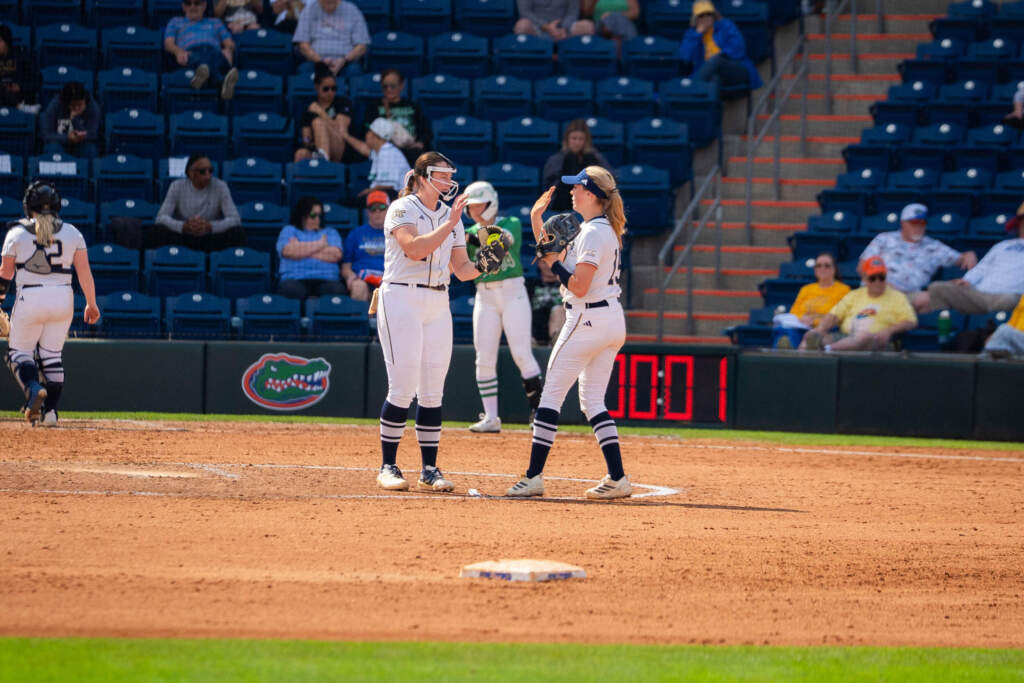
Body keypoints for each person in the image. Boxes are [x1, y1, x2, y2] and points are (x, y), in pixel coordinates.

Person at [506, 167, 630, 500]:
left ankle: (533, 476)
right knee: (593, 402)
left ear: (591, 194)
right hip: (609, 319)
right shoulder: (598, 229)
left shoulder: (593, 233)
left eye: (577, 188)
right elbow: (554, 252)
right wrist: (537, 219)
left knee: (550, 398)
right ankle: (618, 477)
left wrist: (554, 263)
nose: (572, 192)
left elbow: (578, 284)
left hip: (587, 318)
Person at [373, 152, 488, 493]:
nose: (448, 180)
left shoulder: (450, 217)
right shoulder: (402, 208)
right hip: (401, 297)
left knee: (433, 389)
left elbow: (462, 269)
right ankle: (388, 465)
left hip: (438, 299)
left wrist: (486, 264)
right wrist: (450, 224)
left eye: (449, 174)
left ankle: (429, 469)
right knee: (402, 386)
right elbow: (413, 248)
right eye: (441, 174)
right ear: (423, 177)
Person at [0, 181, 101, 426]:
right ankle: (50, 413)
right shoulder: (73, 233)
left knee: (18, 354)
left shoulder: (16, 233)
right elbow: (84, 272)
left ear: (28, 206)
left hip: (30, 297)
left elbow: (5, 273)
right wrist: (91, 303)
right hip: (63, 298)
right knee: (52, 356)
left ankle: (34, 389)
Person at [462, 180, 544, 433]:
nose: (474, 211)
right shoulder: (469, 231)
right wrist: (466, 237)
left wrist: (468, 238)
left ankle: (539, 414)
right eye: (471, 207)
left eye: (479, 205)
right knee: (484, 358)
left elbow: (500, 241)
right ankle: (491, 417)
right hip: (484, 295)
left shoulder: (511, 223)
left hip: (512, 293)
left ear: (491, 203)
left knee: (522, 353)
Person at [800, 256, 917, 352]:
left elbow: (910, 321)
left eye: (881, 277)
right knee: (812, 337)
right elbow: (834, 315)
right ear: (865, 279)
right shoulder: (854, 294)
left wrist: (889, 331)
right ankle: (804, 361)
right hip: (845, 336)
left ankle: (829, 349)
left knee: (863, 336)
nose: (877, 282)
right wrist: (820, 329)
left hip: (877, 340)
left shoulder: (897, 297)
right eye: (873, 278)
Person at [917, 212, 1024, 315]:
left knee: (1009, 300)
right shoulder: (1002, 246)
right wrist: (967, 280)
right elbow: (983, 267)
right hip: (979, 294)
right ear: (1018, 225)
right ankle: (946, 323)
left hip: (1010, 295)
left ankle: (989, 323)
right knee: (937, 288)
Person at [860, 203, 977, 296]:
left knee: (924, 299)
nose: (918, 227)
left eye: (922, 223)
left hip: (910, 297)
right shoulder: (884, 239)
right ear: (903, 223)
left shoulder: (934, 246)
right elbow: (862, 266)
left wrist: (968, 254)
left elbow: (961, 258)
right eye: (914, 222)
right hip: (878, 289)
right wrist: (881, 286)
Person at [154, 153, 246, 251]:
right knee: (157, 231)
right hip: (184, 235)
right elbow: (161, 217)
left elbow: (235, 219)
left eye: (210, 171)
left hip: (210, 237)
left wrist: (210, 226)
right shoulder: (176, 186)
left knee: (237, 232)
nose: (208, 176)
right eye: (203, 172)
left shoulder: (221, 186)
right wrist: (183, 226)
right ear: (190, 173)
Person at [678, 0, 763, 93]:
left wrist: (720, 55)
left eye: (708, 14)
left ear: (714, 15)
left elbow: (739, 49)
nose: (706, 18)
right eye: (701, 15)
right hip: (710, 72)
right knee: (714, 79)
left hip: (735, 67)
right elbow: (685, 57)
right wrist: (697, 34)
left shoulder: (726, 25)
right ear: (696, 19)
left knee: (716, 60)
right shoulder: (692, 34)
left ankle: (690, 89)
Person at [164, 0, 240, 100]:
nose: (192, 7)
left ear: (204, 5)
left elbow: (229, 43)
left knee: (214, 57)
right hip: (190, 52)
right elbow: (168, 44)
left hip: (214, 52)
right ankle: (221, 81)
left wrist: (229, 50)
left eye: (197, 3)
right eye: (188, 3)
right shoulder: (175, 22)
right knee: (202, 59)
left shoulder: (216, 22)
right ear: (183, 6)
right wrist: (178, 52)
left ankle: (202, 76)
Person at [773, 251, 851, 349]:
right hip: (802, 326)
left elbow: (839, 315)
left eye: (827, 266)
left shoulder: (843, 290)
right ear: (815, 269)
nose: (822, 269)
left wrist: (814, 321)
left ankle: (791, 352)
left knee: (804, 337)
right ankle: (785, 352)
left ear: (834, 269)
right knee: (783, 331)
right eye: (819, 266)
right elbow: (794, 312)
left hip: (826, 329)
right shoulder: (806, 289)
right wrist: (802, 319)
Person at [275, 196, 345, 299]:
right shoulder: (289, 230)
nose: (317, 219)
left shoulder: (330, 232)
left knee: (337, 290)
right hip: (295, 278)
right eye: (313, 215)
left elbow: (336, 255)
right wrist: (320, 244)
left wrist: (300, 249)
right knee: (290, 290)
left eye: (319, 215)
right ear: (302, 214)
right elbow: (288, 251)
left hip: (326, 279)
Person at [360, 69, 430, 165]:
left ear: (401, 85)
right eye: (385, 86)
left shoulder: (413, 106)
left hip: (411, 150)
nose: (389, 89)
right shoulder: (374, 108)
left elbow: (426, 132)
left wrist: (420, 143)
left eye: (393, 86)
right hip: (385, 152)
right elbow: (367, 132)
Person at [542, 119, 612, 212]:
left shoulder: (596, 159)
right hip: (561, 208)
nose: (577, 142)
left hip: (590, 208)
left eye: (580, 139)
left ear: (586, 140)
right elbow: (550, 189)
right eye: (574, 138)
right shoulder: (556, 160)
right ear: (567, 139)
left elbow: (607, 181)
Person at [294, 62, 354, 163]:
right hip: (317, 149)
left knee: (318, 123)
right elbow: (306, 139)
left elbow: (341, 131)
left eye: (334, 88)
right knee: (300, 154)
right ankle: (321, 158)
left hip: (340, 148)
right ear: (317, 87)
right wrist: (310, 142)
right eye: (326, 89)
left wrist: (320, 112)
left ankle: (323, 164)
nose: (330, 92)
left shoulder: (343, 103)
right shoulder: (310, 109)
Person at [293, 0, 370, 78]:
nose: (329, 2)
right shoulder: (308, 10)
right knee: (304, 70)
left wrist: (343, 60)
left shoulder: (352, 10)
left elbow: (362, 46)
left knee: (354, 70)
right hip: (315, 61)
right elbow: (303, 45)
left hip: (346, 62)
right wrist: (320, 61)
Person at [342, 118, 411, 198]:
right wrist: (346, 136)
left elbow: (387, 186)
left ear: (375, 136)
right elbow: (363, 149)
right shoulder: (381, 150)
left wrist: (365, 193)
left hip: (400, 198)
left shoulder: (388, 154)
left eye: (369, 131)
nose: (366, 134)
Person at [341, 190, 388, 302]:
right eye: (373, 208)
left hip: (387, 279)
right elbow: (345, 266)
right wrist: (350, 277)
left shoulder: (396, 234)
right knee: (358, 287)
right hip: (362, 279)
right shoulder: (355, 234)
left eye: (381, 207)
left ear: (388, 209)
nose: (377, 212)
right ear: (367, 212)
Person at [40, 82, 101, 158]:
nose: (77, 108)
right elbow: (46, 134)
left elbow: (92, 134)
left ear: (85, 100)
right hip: (60, 143)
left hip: (82, 144)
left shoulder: (93, 108)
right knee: (52, 148)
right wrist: (67, 138)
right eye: (73, 105)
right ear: (65, 103)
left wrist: (74, 119)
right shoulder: (54, 106)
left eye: (80, 104)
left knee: (90, 149)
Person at [0, 23, 37, 110]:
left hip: (18, 95)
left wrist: (20, 87)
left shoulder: (21, 57)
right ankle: (20, 107)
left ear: (6, 42)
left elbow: (35, 81)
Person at [515, 0, 594, 40]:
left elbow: (573, 12)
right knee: (522, 26)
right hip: (537, 27)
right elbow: (525, 12)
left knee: (587, 27)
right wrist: (546, 26)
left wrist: (563, 28)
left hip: (564, 28)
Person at [531, 259, 566, 345]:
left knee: (557, 310)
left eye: (552, 261)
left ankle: (556, 342)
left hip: (559, 331)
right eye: (544, 262)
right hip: (534, 333)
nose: (549, 266)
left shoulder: (567, 286)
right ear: (538, 264)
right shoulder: (530, 285)